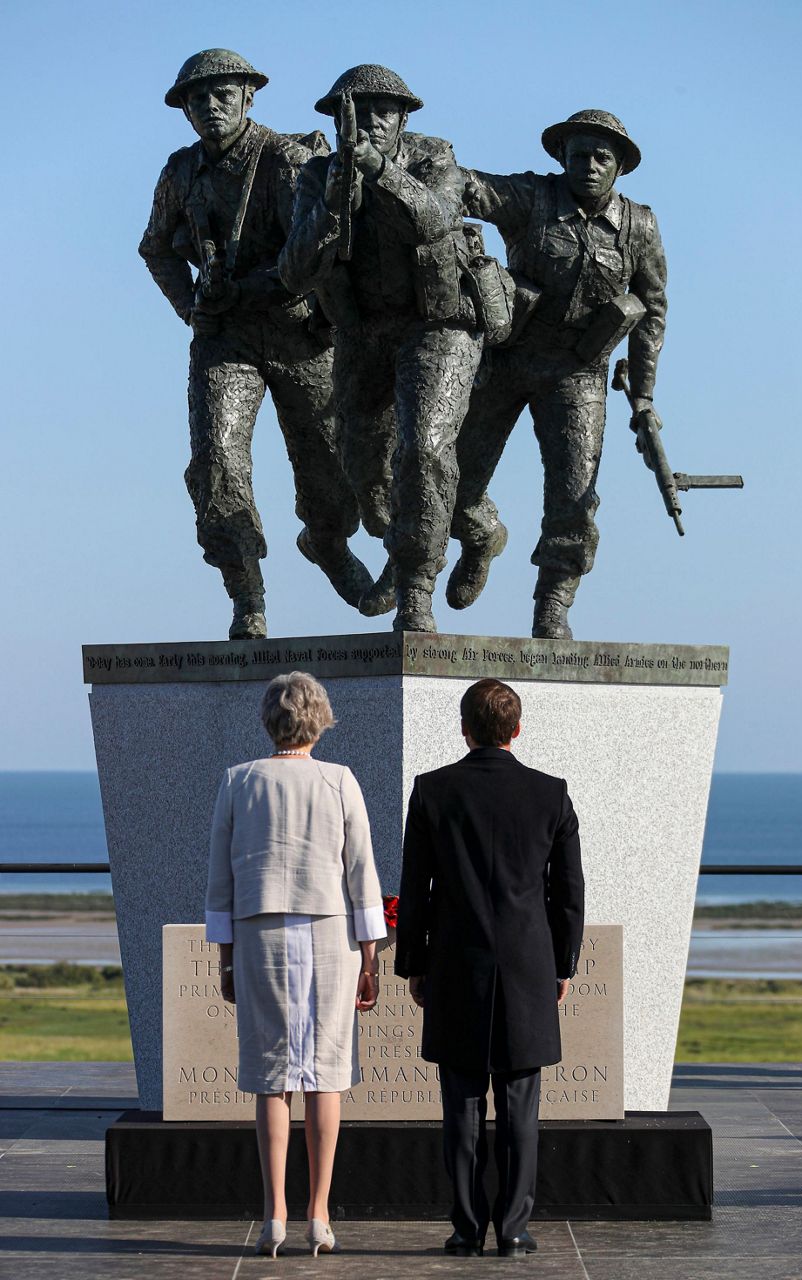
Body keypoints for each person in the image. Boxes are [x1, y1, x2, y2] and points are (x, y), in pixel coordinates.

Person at [140, 49, 373, 640]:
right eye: (198, 98)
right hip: (226, 337)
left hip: (300, 332)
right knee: (217, 463)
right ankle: (247, 597)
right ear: (185, 110)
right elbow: (157, 248)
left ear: (248, 97)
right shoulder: (180, 171)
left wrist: (255, 285)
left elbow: (317, 246)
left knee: (330, 470)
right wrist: (192, 304)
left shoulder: (288, 160)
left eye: (224, 94)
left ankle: (325, 539)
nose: (211, 106)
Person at [278, 64, 483, 632]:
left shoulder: (433, 157)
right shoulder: (317, 175)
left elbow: (437, 221)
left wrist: (381, 173)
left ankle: (417, 588)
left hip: (437, 326)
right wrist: (330, 204)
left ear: (404, 118)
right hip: (363, 331)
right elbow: (293, 274)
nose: (368, 122)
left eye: (382, 111)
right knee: (366, 478)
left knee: (424, 450)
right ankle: (466, 529)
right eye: (355, 111)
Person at [448, 109, 668, 639]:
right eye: (578, 156)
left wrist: (643, 397)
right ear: (561, 159)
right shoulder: (533, 198)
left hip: (578, 373)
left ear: (619, 168)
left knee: (574, 495)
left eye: (601, 158)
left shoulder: (639, 226)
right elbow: (469, 188)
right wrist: (420, 164)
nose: (588, 166)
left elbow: (652, 309)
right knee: (450, 480)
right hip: (508, 358)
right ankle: (482, 536)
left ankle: (553, 604)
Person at [395, 678, 584, 1257]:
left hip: (457, 964)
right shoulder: (551, 795)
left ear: (464, 729)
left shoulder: (432, 791)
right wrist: (563, 963)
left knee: (462, 1106)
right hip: (529, 967)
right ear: (517, 730)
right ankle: (516, 1228)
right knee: (522, 1105)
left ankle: (466, 1227)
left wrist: (413, 964)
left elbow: (416, 889)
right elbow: (568, 893)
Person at [205, 671, 386, 1256]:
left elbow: (221, 880)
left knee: (272, 1072)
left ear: (269, 719)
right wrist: (371, 956)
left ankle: (274, 1213)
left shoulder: (239, 781)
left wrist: (225, 957)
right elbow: (362, 873)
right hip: (330, 930)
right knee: (326, 1070)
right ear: (320, 719)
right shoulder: (339, 780)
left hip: (261, 932)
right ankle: (319, 1212)